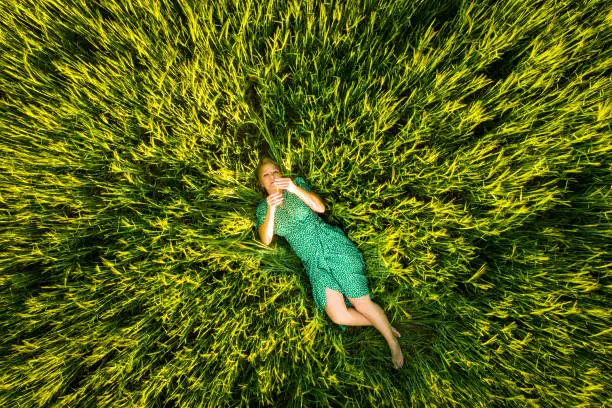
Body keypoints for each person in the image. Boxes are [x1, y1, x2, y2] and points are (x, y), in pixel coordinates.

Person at [254, 157, 404, 369]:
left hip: (332, 245)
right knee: (338, 316)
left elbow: (320, 208)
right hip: (313, 262)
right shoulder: (263, 209)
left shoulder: (295, 185)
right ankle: (382, 324)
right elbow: (266, 239)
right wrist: (272, 209)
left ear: (281, 173)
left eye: (275, 171)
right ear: (261, 183)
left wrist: (294, 188)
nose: (272, 177)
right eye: (266, 175)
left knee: (361, 302)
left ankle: (392, 342)